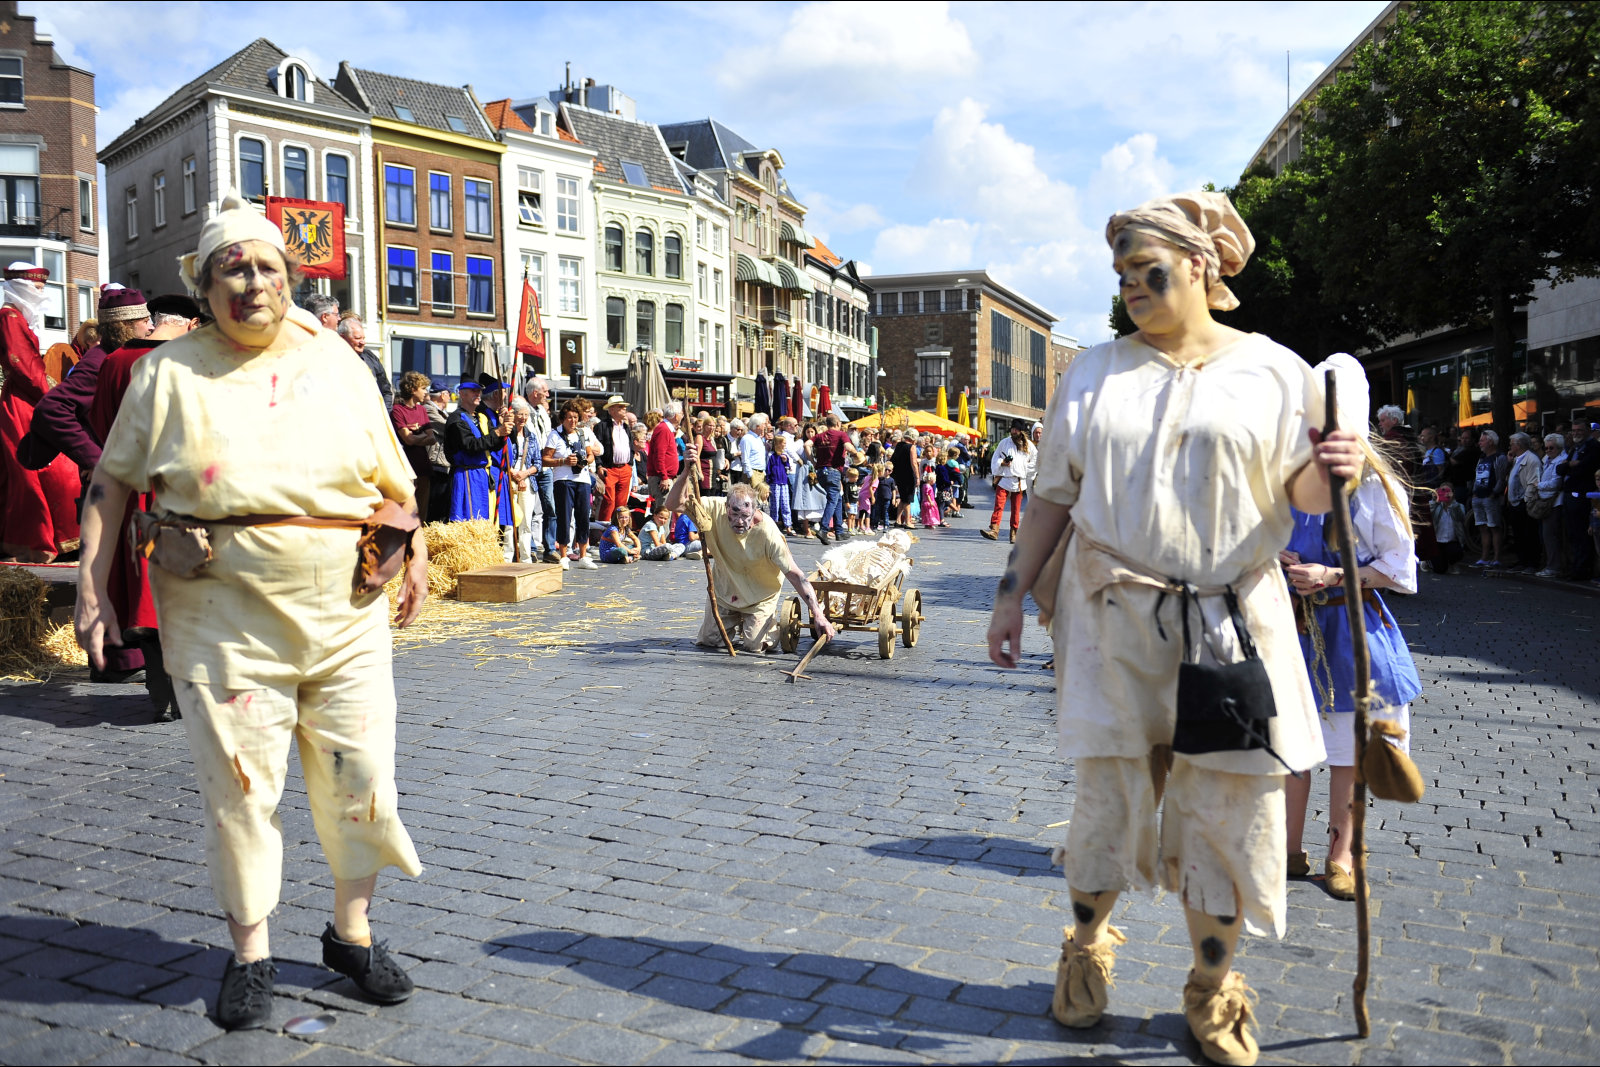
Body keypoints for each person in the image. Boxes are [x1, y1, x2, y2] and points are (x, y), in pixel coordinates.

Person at [987, 191, 1362, 1067]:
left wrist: (1330, 468)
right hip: (1112, 616)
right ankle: (1085, 951)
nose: (1130, 290)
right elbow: (1052, 495)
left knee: (1225, 811)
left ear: (1200, 263)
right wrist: (1011, 594)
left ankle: (1214, 991)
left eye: (1144, 270)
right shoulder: (1094, 372)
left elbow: (1300, 491)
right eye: (1120, 276)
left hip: (1233, 620)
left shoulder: (1275, 370)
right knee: (1108, 799)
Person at [76, 194, 427, 1030]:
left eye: (267, 266)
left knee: (364, 776)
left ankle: (352, 933)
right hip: (220, 613)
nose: (252, 281)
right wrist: (92, 588)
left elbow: (395, 475)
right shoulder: (167, 373)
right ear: (203, 283)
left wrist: (409, 547)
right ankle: (251, 949)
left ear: (290, 278)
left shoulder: (338, 363)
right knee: (241, 789)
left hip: (346, 609)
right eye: (232, 267)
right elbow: (111, 483)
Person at [1282, 354, 1421, 902]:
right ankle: (1288, 851)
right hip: (1290, 628)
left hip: (1347, 629)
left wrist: (1331, 573)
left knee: (1346, 751)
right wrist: (1278, 561)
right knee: (1289, 750)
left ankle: (1342, 856)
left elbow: (1398, 570)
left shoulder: (1375, 488)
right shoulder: (1290, 477)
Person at [83, 293, 203, 708]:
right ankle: (181, 690)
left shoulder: (113, 362)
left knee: (142, 591)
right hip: (176, 490)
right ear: (190, 325)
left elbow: (99, 423)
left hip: (129, 491)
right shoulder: (187, 362)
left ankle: (160, 690)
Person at [665, 460, 836, 654]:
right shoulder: (713, 507)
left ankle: (766, 626)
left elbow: (796, 575)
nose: (739, 521)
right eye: (734, 513)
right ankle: (732, 621)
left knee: (754, 646)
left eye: (745, 515)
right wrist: (687, 470)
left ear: (755, 511)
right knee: (709, 641)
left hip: (759, 597)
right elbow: (673, 504)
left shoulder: (768, 533)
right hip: (725, 592)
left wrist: (818, 614)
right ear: (726, 506)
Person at [21, 286, 151, 495]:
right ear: (125, 326)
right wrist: (96, 460)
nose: (150, 328)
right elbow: (51, 409)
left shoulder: (115, 356)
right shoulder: (97, 362)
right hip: (107, 484)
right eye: (145, 322)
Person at [0, 262, 81, 563]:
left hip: (28, 398)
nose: (42, 293)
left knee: (37, 468)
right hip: (24, 403)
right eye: (37, 287)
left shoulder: (17, 318)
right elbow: (23, 365)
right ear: (22, 287)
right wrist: (53, 394)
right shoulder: (9, 318)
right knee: (38, 468)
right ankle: (36, 539)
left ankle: (51, 536)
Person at [544, 398, 600, 570]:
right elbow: (545, 459)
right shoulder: (555, 434)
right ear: (563, 418)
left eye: (575, 417)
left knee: (583, 517)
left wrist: (585, 461)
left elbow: (591, 455)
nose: (573, 421)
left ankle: (583, 555)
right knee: (564, 517)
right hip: (563, 481)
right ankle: (563, 555)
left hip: (582, 480)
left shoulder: (583, 433)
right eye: (569, 417)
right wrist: (563, 461)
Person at [443, 379, 509, 521]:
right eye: (473, 391)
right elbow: (471, 445)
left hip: (482, 474)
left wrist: (505, 428)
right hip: (466, 474)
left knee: (484, 518)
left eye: (479, 391)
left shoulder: (481, 418)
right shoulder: (456, 419)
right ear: (462, 394)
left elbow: (494, 445)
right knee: (468, 519)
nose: (478, 394)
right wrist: (497, 433)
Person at [522, 377, 560, 561]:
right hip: (529, 466)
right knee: (529, 509)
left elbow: (547, 435)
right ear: (535, 393)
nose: (547, 394)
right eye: (545, 391)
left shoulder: (543, 412)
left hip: (545, 468)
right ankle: (529, 547)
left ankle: (550, 547)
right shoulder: (523, 410)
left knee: (550, 508)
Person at [390, 372, 436, 522]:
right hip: (406, 468)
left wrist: (415, 436)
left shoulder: (422, 410)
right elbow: (407, 439)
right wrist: (421, 436)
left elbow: (432, 438)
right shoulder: (397, 410)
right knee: (406, 512)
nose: (426, 392)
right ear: (412, 389)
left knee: (422, 513)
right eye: (423, 388)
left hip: (423, 467)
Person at [502, 396, 543, 563]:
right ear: (513, 414)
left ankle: (525, 558)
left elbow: (538, 463)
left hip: (527, 482)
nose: (523, 418)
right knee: (510, 522)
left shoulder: (531, 436)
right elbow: (502, 458)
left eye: (526, 415)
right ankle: (507, 557)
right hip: (509, 480)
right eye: (520, 414)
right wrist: (514, 474)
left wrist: (525, 474)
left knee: (526, 522)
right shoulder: (507, 434)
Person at [1557, 422, 1600, 580]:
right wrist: (1570, 464)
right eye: (1574, 430)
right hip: (1569, 495)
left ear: (1587, 431)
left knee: (1581, 534)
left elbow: (1584, 469)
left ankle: (1582, 570)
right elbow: (1559, 470)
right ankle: (1575, 567)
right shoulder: (1574, 447)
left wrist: (1568, 467)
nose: (1576, 433)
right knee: (1572, 534)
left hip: (1581, 495)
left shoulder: (1593, 447)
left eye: (1580, 430)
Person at [983, 422, 1033, 543]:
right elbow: (995, 458)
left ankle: (1013, 533)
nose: (1013, 432)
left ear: (1021, 431)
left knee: (1016, 509)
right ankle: (994, 530)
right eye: (1012, 429)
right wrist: (1002, 462)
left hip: (1018, 481)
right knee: (998, 505)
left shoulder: (1029, 445)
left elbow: (1035, 461)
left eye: (1016, 429)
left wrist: (1025, 468)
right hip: (1004, 479)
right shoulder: (1004, 442)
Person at [333, 312, 393, 411]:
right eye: (357, 338)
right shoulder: (334, 358)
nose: (362, 342)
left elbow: (385, 390)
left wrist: (384, 413)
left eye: (363, 338)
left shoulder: (370, 357)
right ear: (343, 336)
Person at [1470, 429, 1510, 568]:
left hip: (1490, 497)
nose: (1480, 443)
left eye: (1482, 440)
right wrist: (1475, 492)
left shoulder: (1499, 457)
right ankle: (1484, 557)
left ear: (1491, 441)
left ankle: (1497, 558)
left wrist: (1494, 493)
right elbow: (1477, 475)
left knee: (1494, 527)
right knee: (1482, 527)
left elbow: (1501, 477)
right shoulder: (1482, 458)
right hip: (1479, 496)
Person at [812, 414, 853, 544]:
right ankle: (824, 529)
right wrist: (856, 453)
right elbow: (847, 447)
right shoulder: (841, 434)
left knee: (838, 499)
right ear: (837, 423)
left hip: (821, 471)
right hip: (833, 471)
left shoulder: (819, 436)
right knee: (833, 499)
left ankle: (839, 531)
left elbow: (806, 444)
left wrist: (812, 461)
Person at [1505, 432, 1543, 570]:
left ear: (1519, 445)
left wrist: (1526, 501)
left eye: (1512, 443)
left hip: (1525, 503)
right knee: (1519, 534)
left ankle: (1531, 563)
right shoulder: (1517, 459)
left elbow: (1534, 482)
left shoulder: (1532, 460)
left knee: (1529, 534)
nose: (1510, 446)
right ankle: (1522, 560)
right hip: (1515, 502)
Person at [594, 395, 634, 524]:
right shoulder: (602, 426)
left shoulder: (626, 427)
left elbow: (630, 446)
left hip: (625, 468)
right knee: (609, 501)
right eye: (620, 407)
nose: (624, 410)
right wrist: (599, 466)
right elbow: (597, 447)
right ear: (611, 410)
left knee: (622, 503)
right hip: (610, 468)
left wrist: (630, 464)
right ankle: (603, 530)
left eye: (624, 407)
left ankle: (619, 529)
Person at [1536, 432, 1568, 578]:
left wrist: (1539, 485)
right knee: (1546, 535)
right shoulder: (1547, 460)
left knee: (1551, 536)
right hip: (1546, 501)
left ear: (1559, 448)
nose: (1548, 450)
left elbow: (1556, 483)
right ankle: (1550, 564)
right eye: (1546, 447)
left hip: (1555, 503)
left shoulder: (1561, 461)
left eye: (1551, 448)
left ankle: (1554, 566)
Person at [648, 401, 683, 506]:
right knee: (663, 511)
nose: (683, 416)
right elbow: (659, 455)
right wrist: (664, 477)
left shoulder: (666, 429)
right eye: (681, 413)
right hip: (661, 479)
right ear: (676, 416)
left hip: (665, 477)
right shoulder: (663, 429)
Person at [1430, 484, 1468, 574]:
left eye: (1448, 491)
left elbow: (1461, 518)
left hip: (1452, 542)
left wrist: (1452, 503)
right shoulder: (1435, 505)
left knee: (1456, 552)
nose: (1446, 494)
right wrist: (1435, 500)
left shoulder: (1459, 506)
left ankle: (1452, 563)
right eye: (1442, 491)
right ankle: (1427, 561)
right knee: (1439, 570)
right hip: (1437, 542)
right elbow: (1428, 513)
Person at [890, 430, 918, 529]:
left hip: (899, 476)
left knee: (902, 498)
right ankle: (908, 521)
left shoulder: (899, 445)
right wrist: (917, 477)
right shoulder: (912, 447)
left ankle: (898, 520)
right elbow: (914, 463)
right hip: (908, 475)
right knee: (907, 500)